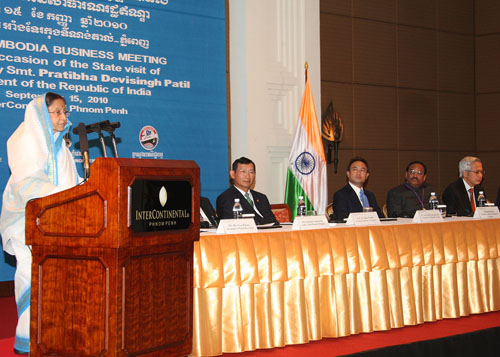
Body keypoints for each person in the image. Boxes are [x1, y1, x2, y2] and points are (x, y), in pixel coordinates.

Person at [0, 93, 81, 355]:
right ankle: (28, 340)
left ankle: (55, 336)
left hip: (59, 221)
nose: (63, 117)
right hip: (27, 222)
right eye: (56, 112)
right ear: (41, 115)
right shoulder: (24, 139)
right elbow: (27, 183)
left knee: (60, 278)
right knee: (32, 275)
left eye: (65, 112)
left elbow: (72, 183)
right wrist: (61, 196)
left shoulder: (63, 147)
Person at [216, 157, 278, 225]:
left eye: (251, 172)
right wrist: (264, 222)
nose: (247, 176)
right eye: (243, 172)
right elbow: (234, 223)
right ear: (233, 174)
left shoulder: (261, 197)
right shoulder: (225, 198)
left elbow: (273, 220)